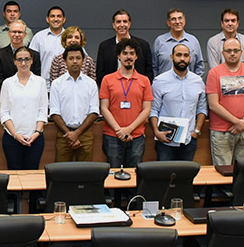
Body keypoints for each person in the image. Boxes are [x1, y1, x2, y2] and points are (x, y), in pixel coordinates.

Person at [206, 37, 244, 165]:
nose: (232, 54)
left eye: (236, 51)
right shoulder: (214, 73)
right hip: (221, 131)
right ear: (223, 53)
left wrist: (242, 123)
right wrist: (236, 122)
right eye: (229, 50)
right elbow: (213, 104)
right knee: (222, 172)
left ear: (241, 53)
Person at [99, 39, 152, 169]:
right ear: (118, 56)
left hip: (136, 135)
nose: (128, 57)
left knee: (134, 175)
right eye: (125, 53)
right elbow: (104, 108)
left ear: (136, 56)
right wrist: (119, 130)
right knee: (112, 174)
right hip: (112, 135)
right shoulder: (107, 79)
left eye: (132, 53)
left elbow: (146, 109)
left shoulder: (144, 80)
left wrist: (129, 129)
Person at [150, 44, 207, 162]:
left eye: (186, 55)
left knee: (186, 177)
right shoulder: (160, 81)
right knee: (164, 178)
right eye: (178, 55)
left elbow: (202, 109)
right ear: (171, 57)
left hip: (188, 139)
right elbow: (153, 109)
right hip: (165, 139)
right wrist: (156, 132)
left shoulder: (198, 81)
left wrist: (197, 131)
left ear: (190, 58)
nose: (182, 58)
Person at [0, 46, 48, 170]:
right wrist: (16, 135)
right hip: (12, 138)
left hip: (35, 138)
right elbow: (4, 113)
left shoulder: (40, 82)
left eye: (27, 59)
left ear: (32, 61)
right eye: (20, 60)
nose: (23, 63)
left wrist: (36, 133)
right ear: (14, 62)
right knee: (14, 175)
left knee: (32, 175)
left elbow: (43, 111)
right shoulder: (7, 83)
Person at [49, 45, 100, 162]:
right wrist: (70, 134)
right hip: (64, 135)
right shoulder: (57, 84)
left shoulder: (91, 84)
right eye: (71, 58)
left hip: (85, 134)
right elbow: (54, 112)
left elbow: (94, 111)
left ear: (83, 60)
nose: (75, 61)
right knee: (60, 173)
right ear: (65, 61)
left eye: (78, 58)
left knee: (86, 174)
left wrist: (77, 133)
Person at [95, 9, 154, 82]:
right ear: (113, 25)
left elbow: (149, 71)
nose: (122, 25)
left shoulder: (143, 45)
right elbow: (100, 73)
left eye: (125, 21)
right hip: (112, 90)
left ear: (129, 24)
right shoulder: (104, 46)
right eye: (118, 22)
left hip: (137, 89)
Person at [152, 9, 204, 77]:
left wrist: (194, 83)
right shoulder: (160, 41)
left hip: (188, 85)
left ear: (184, 21)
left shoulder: (193, 41)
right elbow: (154, 67)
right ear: (168, 23)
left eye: (180, 18)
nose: (177, 22)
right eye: (173, 19)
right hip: (165, 85)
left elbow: (199, 66)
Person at [0, 19, 41, 87]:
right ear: (9, 34)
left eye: (20, 32)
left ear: (25, 34)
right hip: (7, 93)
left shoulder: (34, 55)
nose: (17, 35)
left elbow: (36, 79)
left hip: (29, 93)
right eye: (14, 32)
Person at [29, 5, 66, 86]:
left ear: (64, 19)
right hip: (44, 85)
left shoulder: (71, 37)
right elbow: (30, 62)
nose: (56, 19)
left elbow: (83, 59)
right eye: (52, 16)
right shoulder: (38, 37)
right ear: (47, 19)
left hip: (66, 85)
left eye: (59, 16)